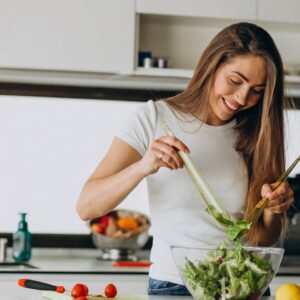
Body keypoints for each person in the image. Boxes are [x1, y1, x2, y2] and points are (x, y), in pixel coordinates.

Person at [76, 22, 295, 296]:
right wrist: (143, 166)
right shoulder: (153, 119)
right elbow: (87, 206)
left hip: (244, 286)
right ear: (211, 67)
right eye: (235, 81)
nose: (242, 98)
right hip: (175, 286)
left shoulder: (258, 134)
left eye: (257, 90)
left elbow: (262, 237)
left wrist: (274, 208)